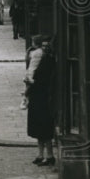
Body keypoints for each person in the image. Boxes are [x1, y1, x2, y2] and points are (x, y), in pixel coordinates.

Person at [27, 36, 57, 165]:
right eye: (43, 46)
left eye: (47, 46)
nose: (45, 48)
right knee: (39, 129)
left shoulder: (49, 62)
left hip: (44, 99)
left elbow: (42, 80)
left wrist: (31, 82)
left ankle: (49, 156)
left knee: (45, 129)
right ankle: (40, 154)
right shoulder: (40, 60)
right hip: (36, 98)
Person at [20, 35, 44, 109]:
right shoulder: (40, 51)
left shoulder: (35, 53)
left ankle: (25, 99)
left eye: (33, 42)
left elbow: (30, 62)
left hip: (32, 72)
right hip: (34, 71)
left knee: (29, 87)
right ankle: (26, 98)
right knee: (29, 87)